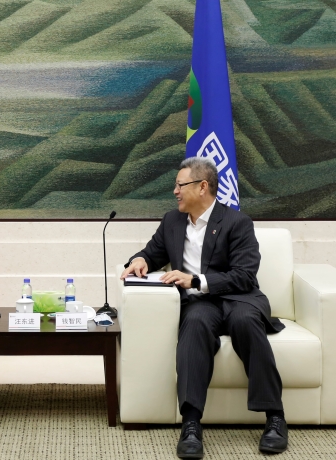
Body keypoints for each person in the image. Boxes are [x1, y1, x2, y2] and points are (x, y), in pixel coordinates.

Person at [120, 157, 288, 459]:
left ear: (202, 187)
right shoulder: (172, 221)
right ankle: (191, 424)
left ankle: (275, 417)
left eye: (180, 185)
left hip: (239, 298)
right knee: (194, 324)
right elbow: (152, 252)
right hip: (200, 304)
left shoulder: (237, 222)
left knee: (246, 322)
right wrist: (139, 260)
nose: (175, 191)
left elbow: (244, 275)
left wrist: (196, 280)